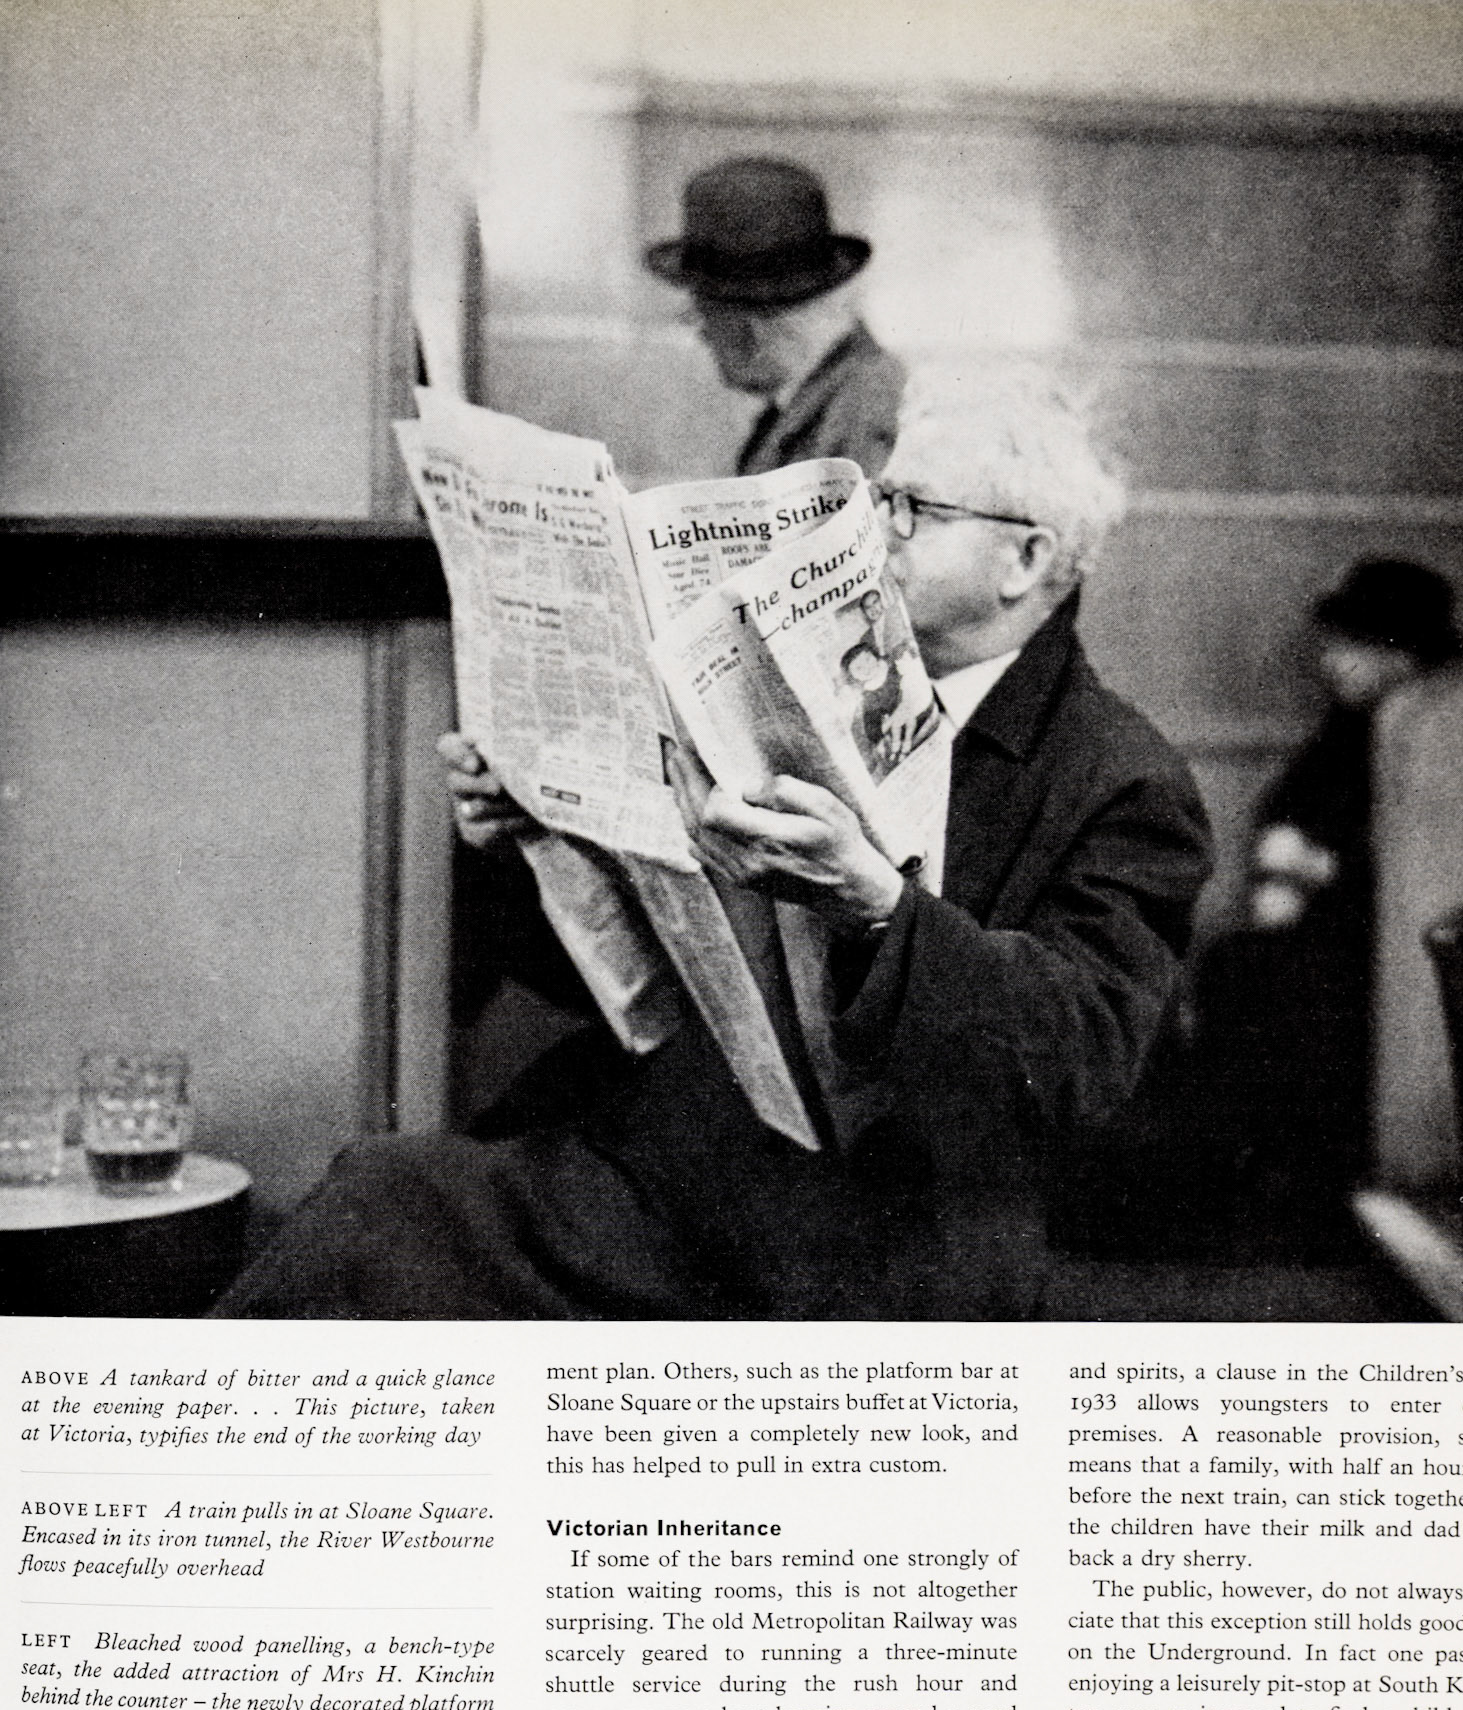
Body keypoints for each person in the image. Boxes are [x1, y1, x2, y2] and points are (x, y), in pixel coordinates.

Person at [212, 363, 1212, 1320]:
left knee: (383, 1212)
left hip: (871, 1228)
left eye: (916, 511)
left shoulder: (1121, 778)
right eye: (875, 502)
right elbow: (659, 969)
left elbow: (1078, 1067)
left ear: (1027, 560)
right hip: (693, 1153)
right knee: (376, 1200)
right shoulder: (800, 678)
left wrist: (876, 905)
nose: (877, 535)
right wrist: (538, 833)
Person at [1194, 558, 1462, 1232]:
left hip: (1383, 944)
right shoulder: (1354, 724)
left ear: (1399, 654)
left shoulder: (1433, 728)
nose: (1330, 661)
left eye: (1351, 645)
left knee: (1265, 982)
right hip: (1329, 932)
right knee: (1241, 969)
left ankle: (1291, 1191)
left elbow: (1423, 857)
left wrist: (1314, 869)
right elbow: (1289, 807)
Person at [644, 156, 905, 477]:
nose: (702, 335)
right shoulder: (829, 395)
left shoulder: (865, 412)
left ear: (752, 325)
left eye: (702, 313)